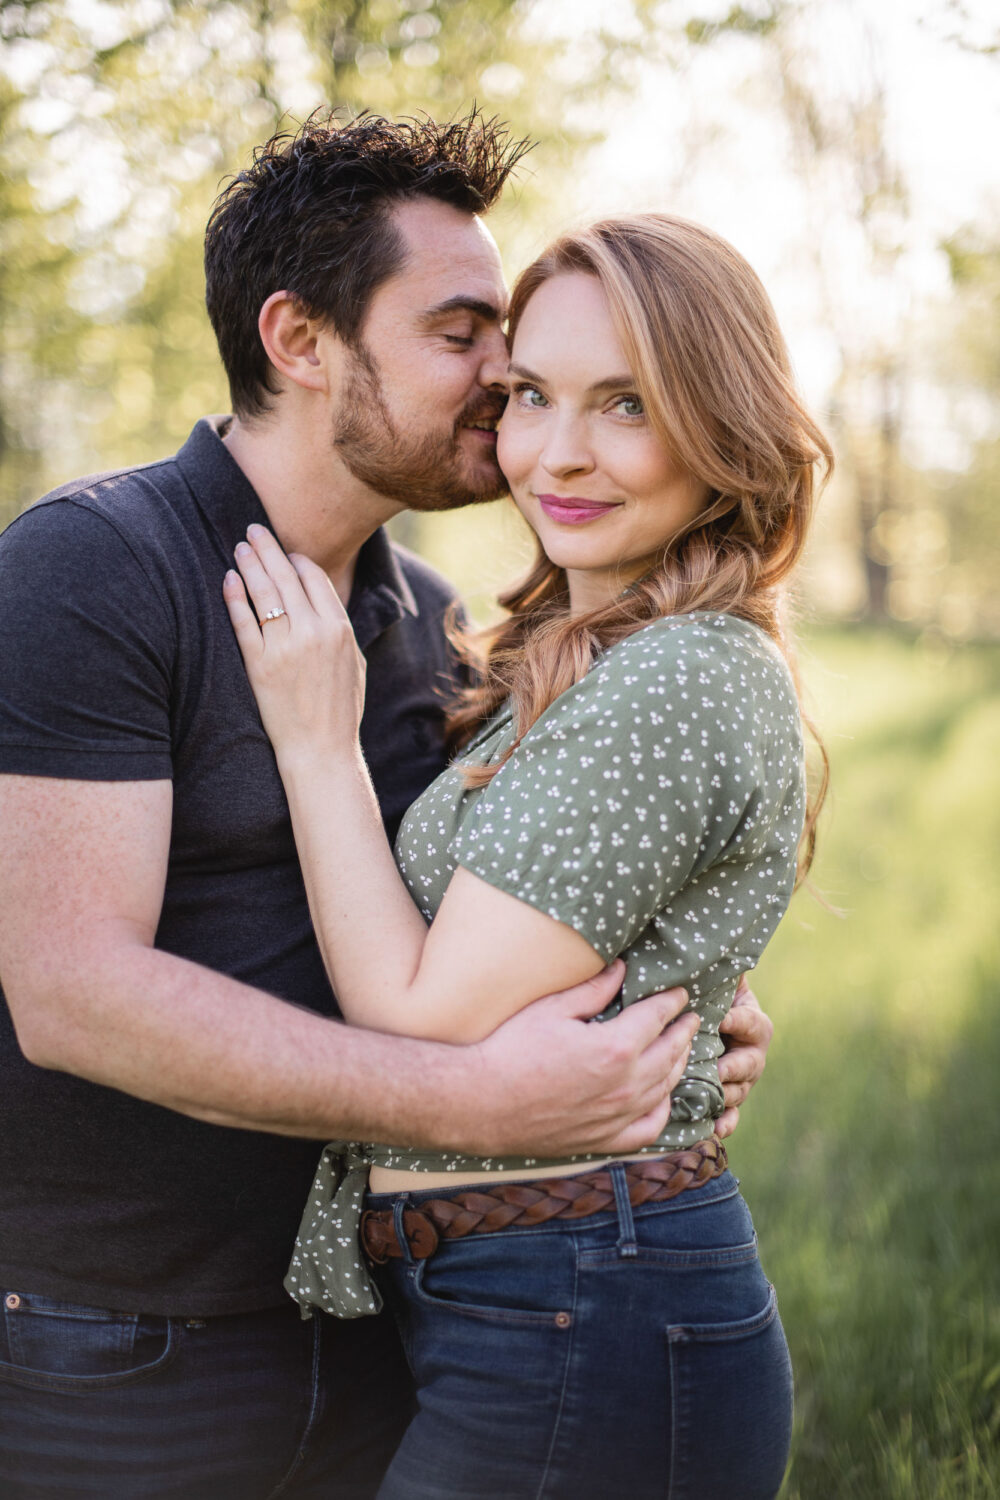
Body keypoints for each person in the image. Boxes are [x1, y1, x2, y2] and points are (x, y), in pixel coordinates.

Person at [0, 116, 772, 1499]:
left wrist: (683, 1003)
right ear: (300, 341)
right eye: (461, 335)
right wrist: (482, 1100)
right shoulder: (94, 567)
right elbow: (69, 992)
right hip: (119, 1346)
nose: (500, 383)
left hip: (381, 1326)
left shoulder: (430, 619)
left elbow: (495, 897)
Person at [224, 209, 832, 1500]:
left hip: (588, 1305)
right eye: (532, 396)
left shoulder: (682, 674)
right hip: (530, 1299)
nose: (559, 452)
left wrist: (317, 744)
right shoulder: (586, 659)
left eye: (627, 404)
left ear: (719, 426)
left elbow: (419, 1018)